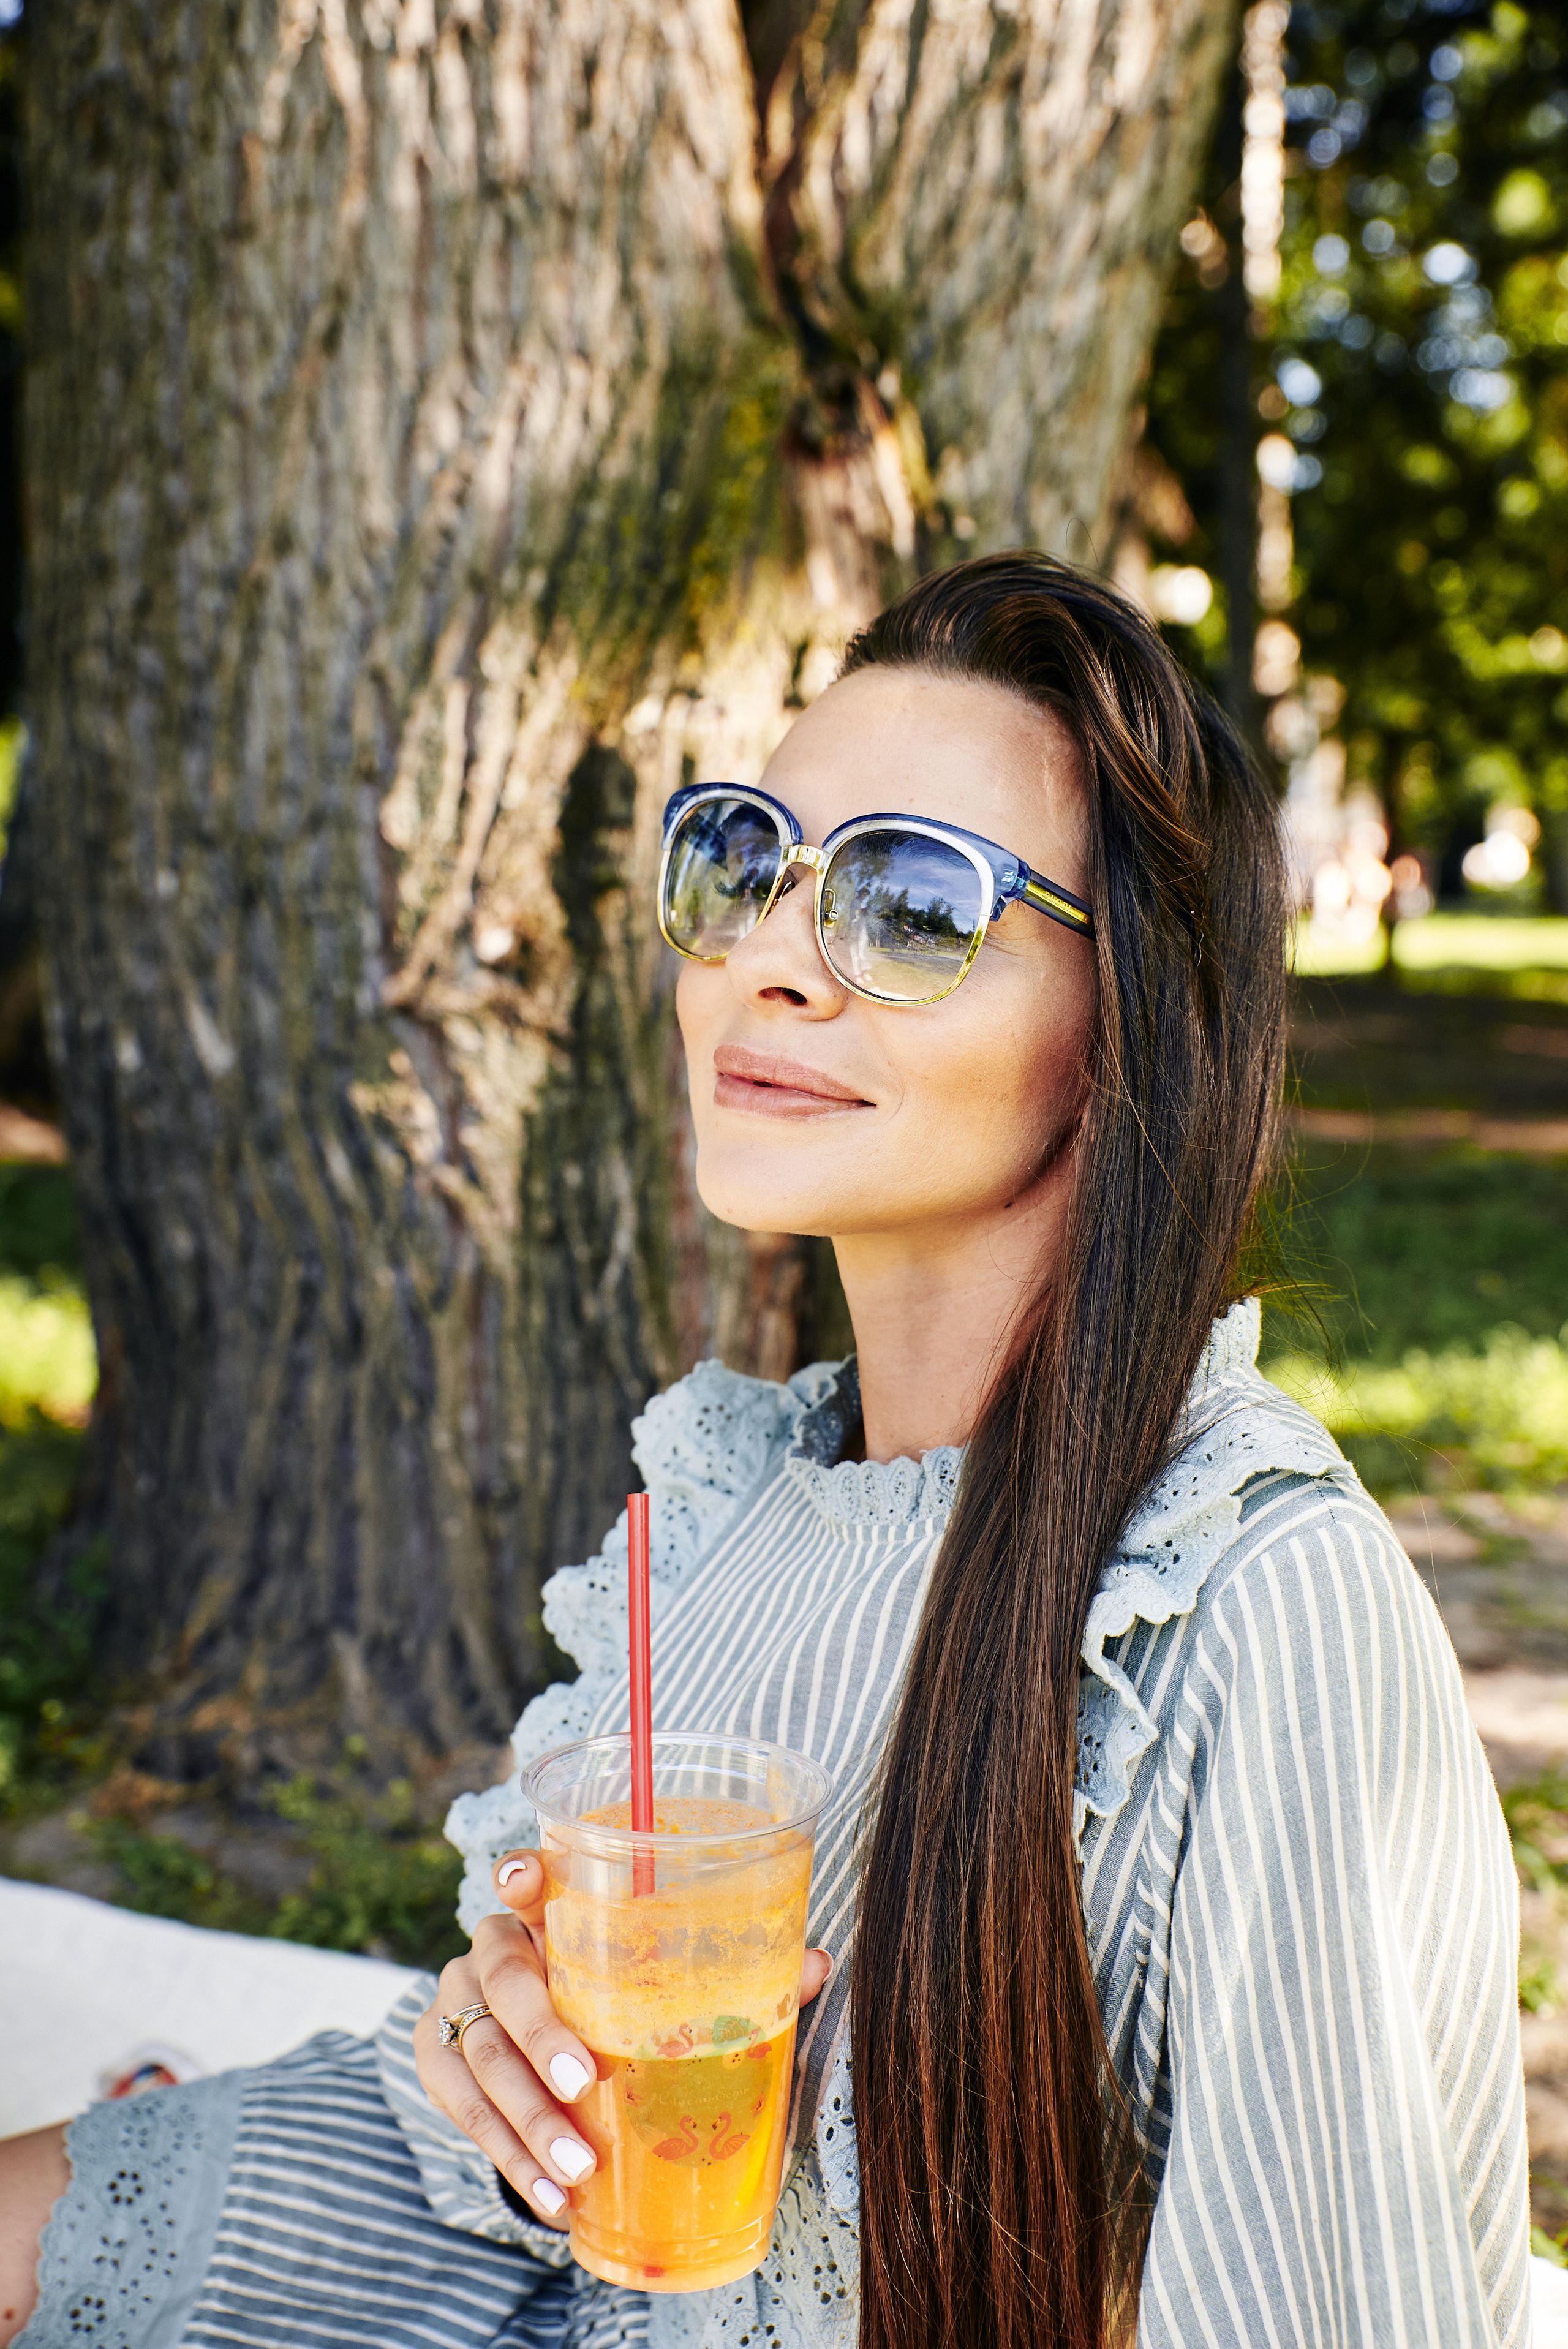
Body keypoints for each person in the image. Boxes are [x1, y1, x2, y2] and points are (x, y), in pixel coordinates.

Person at [0, 553, 1529, 2349]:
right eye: (743, 860)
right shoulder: (734, 1504)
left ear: (1126, 1023)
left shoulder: (1249, 1607)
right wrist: (512, 2078)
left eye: (909, 898)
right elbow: (546, 2204)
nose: (771, 963)